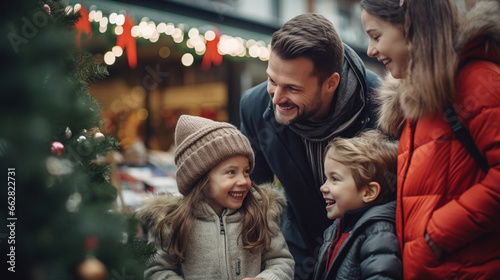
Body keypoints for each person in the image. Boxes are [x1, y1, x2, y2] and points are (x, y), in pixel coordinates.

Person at [360, 0, 500, 279]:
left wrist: (435, 235)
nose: (370, 50)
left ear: (412, 28)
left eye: (376, 36)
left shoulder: (476, 79)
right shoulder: (421, 96)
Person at [239, 13, 380, 279]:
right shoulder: (254, 106)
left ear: (331, 83)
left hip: (362, 259)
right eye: (272, 80)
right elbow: (253, 201)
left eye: (292, 88)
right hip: (295, 259)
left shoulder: (381, 107)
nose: (276, 98)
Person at [136, 115, 295, 280]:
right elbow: (156, 271)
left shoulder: (260, 214)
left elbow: (281, 261)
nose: (243, 181)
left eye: (246, 171)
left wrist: (265, 279)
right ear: (200, 178)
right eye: (231, 172)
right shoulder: (173, 222)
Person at [313, 130, 402, 280]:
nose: (323, 187)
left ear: (368, 192)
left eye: (334, 179)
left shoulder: (378, 232)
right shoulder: (337, 228)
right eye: (326, 178)